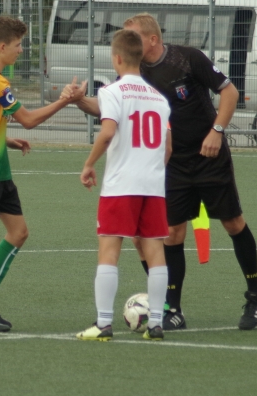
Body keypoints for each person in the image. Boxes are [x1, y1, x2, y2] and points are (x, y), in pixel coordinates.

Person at [66, 13, 257, 330]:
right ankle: (173, 308)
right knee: (171, 234)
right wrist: (79, 101)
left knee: (233, 222)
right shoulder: (136, 72)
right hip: (170, 163)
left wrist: (217, 130)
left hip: (208, 155)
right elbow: (109, 106)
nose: (129, 43)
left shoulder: (188, 58)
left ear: (153, 39)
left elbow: (229, 93)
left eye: (134, 36)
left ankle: (255, 295)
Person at [0, 16, 76, 332]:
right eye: (17, 45)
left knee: (19, 232)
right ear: (1, 46)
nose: (21, 50)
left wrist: (4, 139)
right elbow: (27, 119)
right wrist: (65, 100)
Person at [74, 30, 172, 342]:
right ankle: (156, 323)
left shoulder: (113, 92)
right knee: (155, 250)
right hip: (153, 186)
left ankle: (103, 324)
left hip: (121, 186)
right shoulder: (159, 98)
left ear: (117, 58)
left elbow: (107, 132)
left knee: (109, 247)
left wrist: (89, 164)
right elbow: (168, 148)